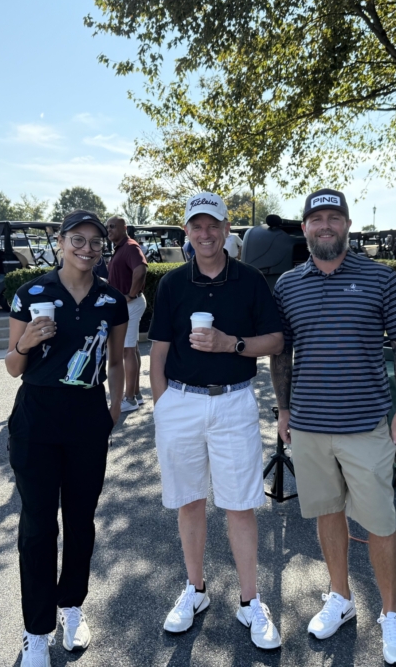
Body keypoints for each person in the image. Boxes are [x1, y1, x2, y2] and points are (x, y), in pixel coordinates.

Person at [270, 189, 396, 665]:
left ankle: (391, 613)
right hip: (309, 426)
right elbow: (281, 352)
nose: (325, 225)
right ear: (305, 228)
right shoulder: (288, 285)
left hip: (365, 426)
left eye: (334, 217)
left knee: (380, 522)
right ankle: (340, 596)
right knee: (327, 512)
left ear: (348, 225)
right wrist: (283, 409)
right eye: (316, 218)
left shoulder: (380, 278)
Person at [149, 192, 285, 650]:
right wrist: (162, 406)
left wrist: (232, 344)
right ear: (186, 232)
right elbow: (159, 351)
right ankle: (195, 589)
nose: (205, 234)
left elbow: (275, 341)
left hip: (233, 402)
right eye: (196, 226)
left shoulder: (249, 279)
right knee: (189, 502)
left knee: (239, 505)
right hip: (181, 402)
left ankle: (250, 601)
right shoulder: (172, 283)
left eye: (213, 226)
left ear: (228, 230)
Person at [5, 209, 128, 666]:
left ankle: (72, 607)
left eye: (95, 241)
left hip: (87, 417)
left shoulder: (111, 299)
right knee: (38, 525)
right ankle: (36, 630)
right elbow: (12, 366)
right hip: (36, 416)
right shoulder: (31, 293)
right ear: (60, 242)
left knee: (80, 519)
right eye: (77, 239)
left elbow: (117, 360)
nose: (86, 248)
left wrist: (114, 408)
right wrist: (26, 342)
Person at [105, 216, 148, 412]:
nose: (109, 230)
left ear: (125, 227)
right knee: (132, 349)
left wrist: (130, 295)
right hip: (128, 304)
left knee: (127, 351)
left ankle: (129, 399)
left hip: (131, 304)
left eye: (113, 226)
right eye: (107, 227)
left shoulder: (130, 246)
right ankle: (136, 394)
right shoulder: (120, 248)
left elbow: (141, 270)